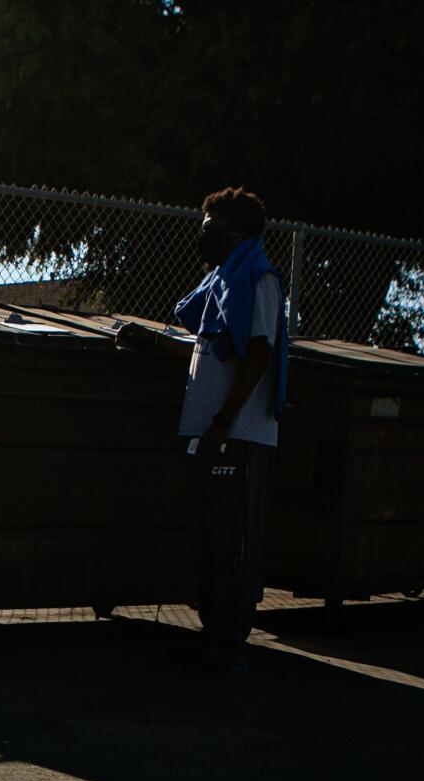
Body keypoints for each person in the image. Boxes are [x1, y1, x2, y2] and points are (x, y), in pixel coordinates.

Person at [123, 187, 289, 676]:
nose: (203, 234)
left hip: (236, 436)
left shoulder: (257, 281)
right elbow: (208, 348)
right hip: (210, 432)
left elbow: (258, 353)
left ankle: (229, 644)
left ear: (234, 231)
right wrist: (153, 341)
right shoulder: (222, 283)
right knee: (206, 538)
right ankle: (212, 635)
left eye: (210, 224)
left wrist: (223, 421)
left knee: (229, 542)